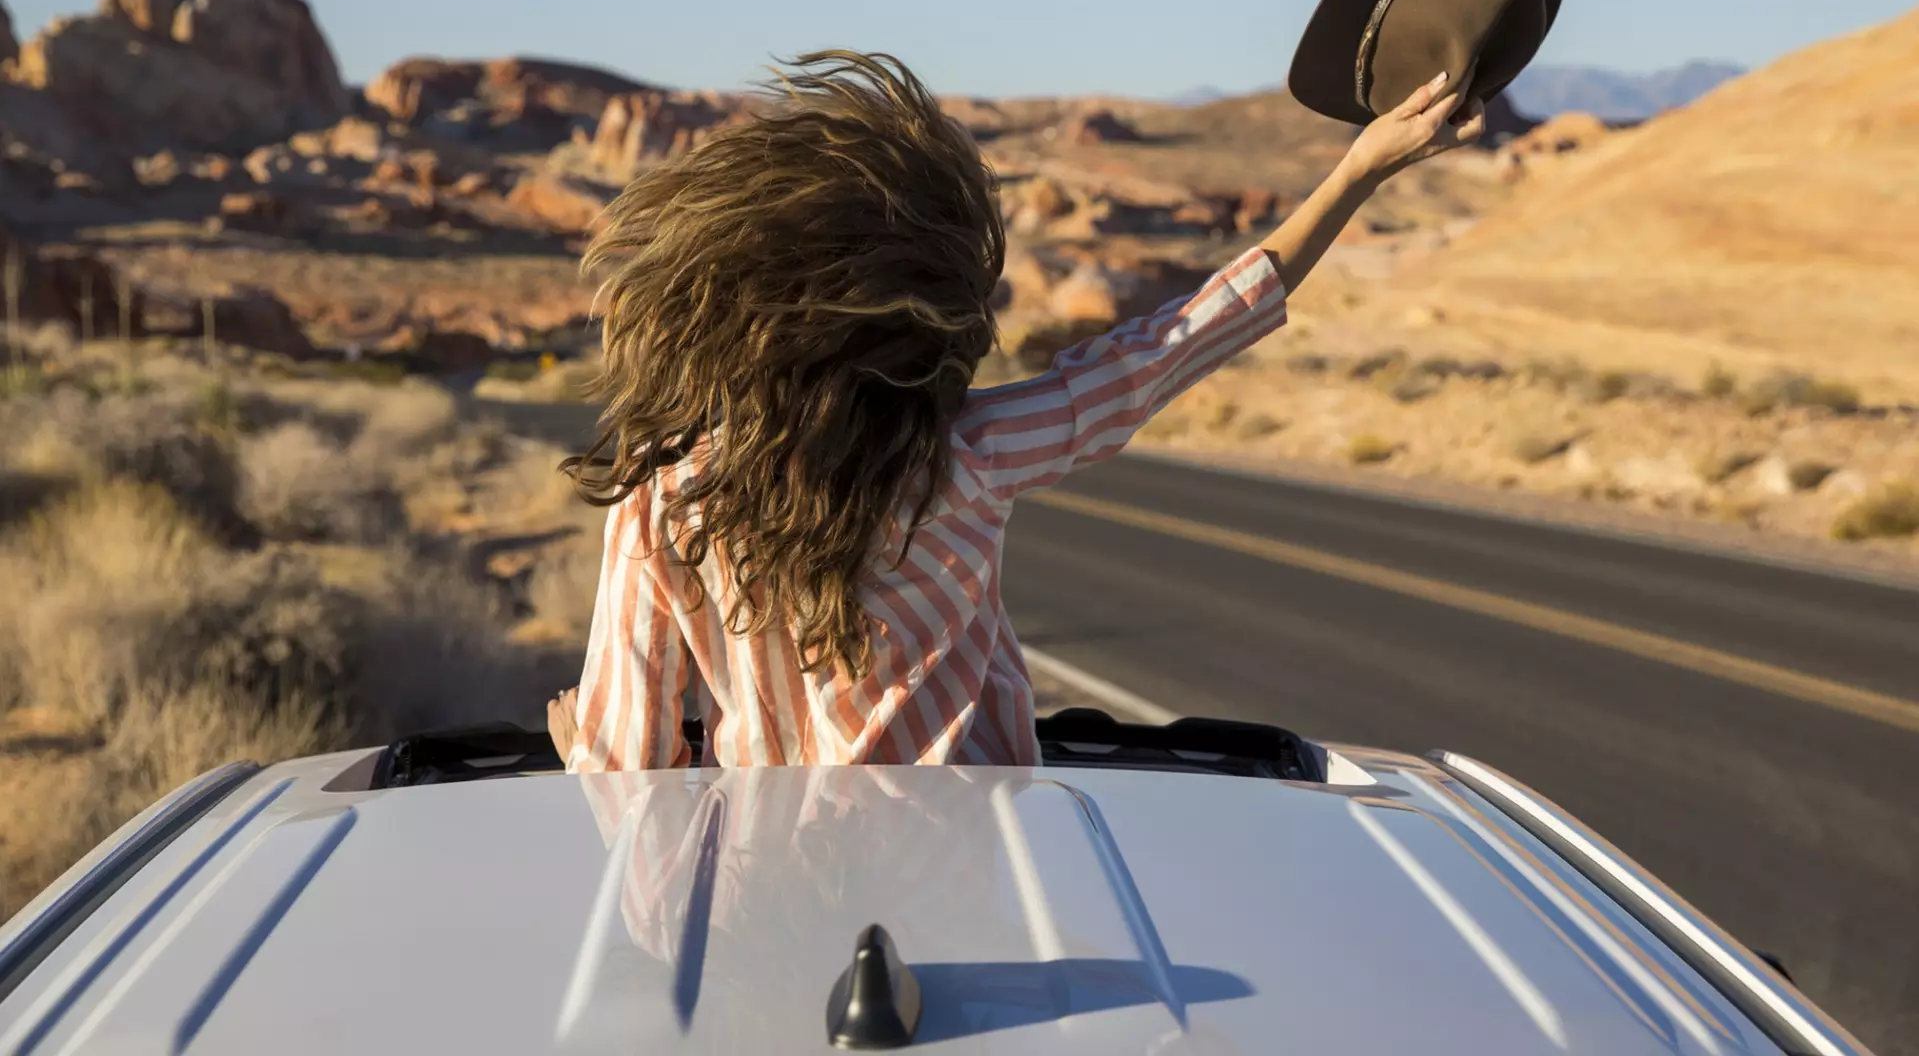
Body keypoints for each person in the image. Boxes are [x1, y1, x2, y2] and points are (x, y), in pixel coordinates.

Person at [548, 51, 1483, 770]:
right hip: (988, 854)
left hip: (776, 891)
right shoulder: (970, 456)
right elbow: (1173, 344)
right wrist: (1358, 169)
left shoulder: (664, 502)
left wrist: (579, 741)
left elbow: (628, 768)